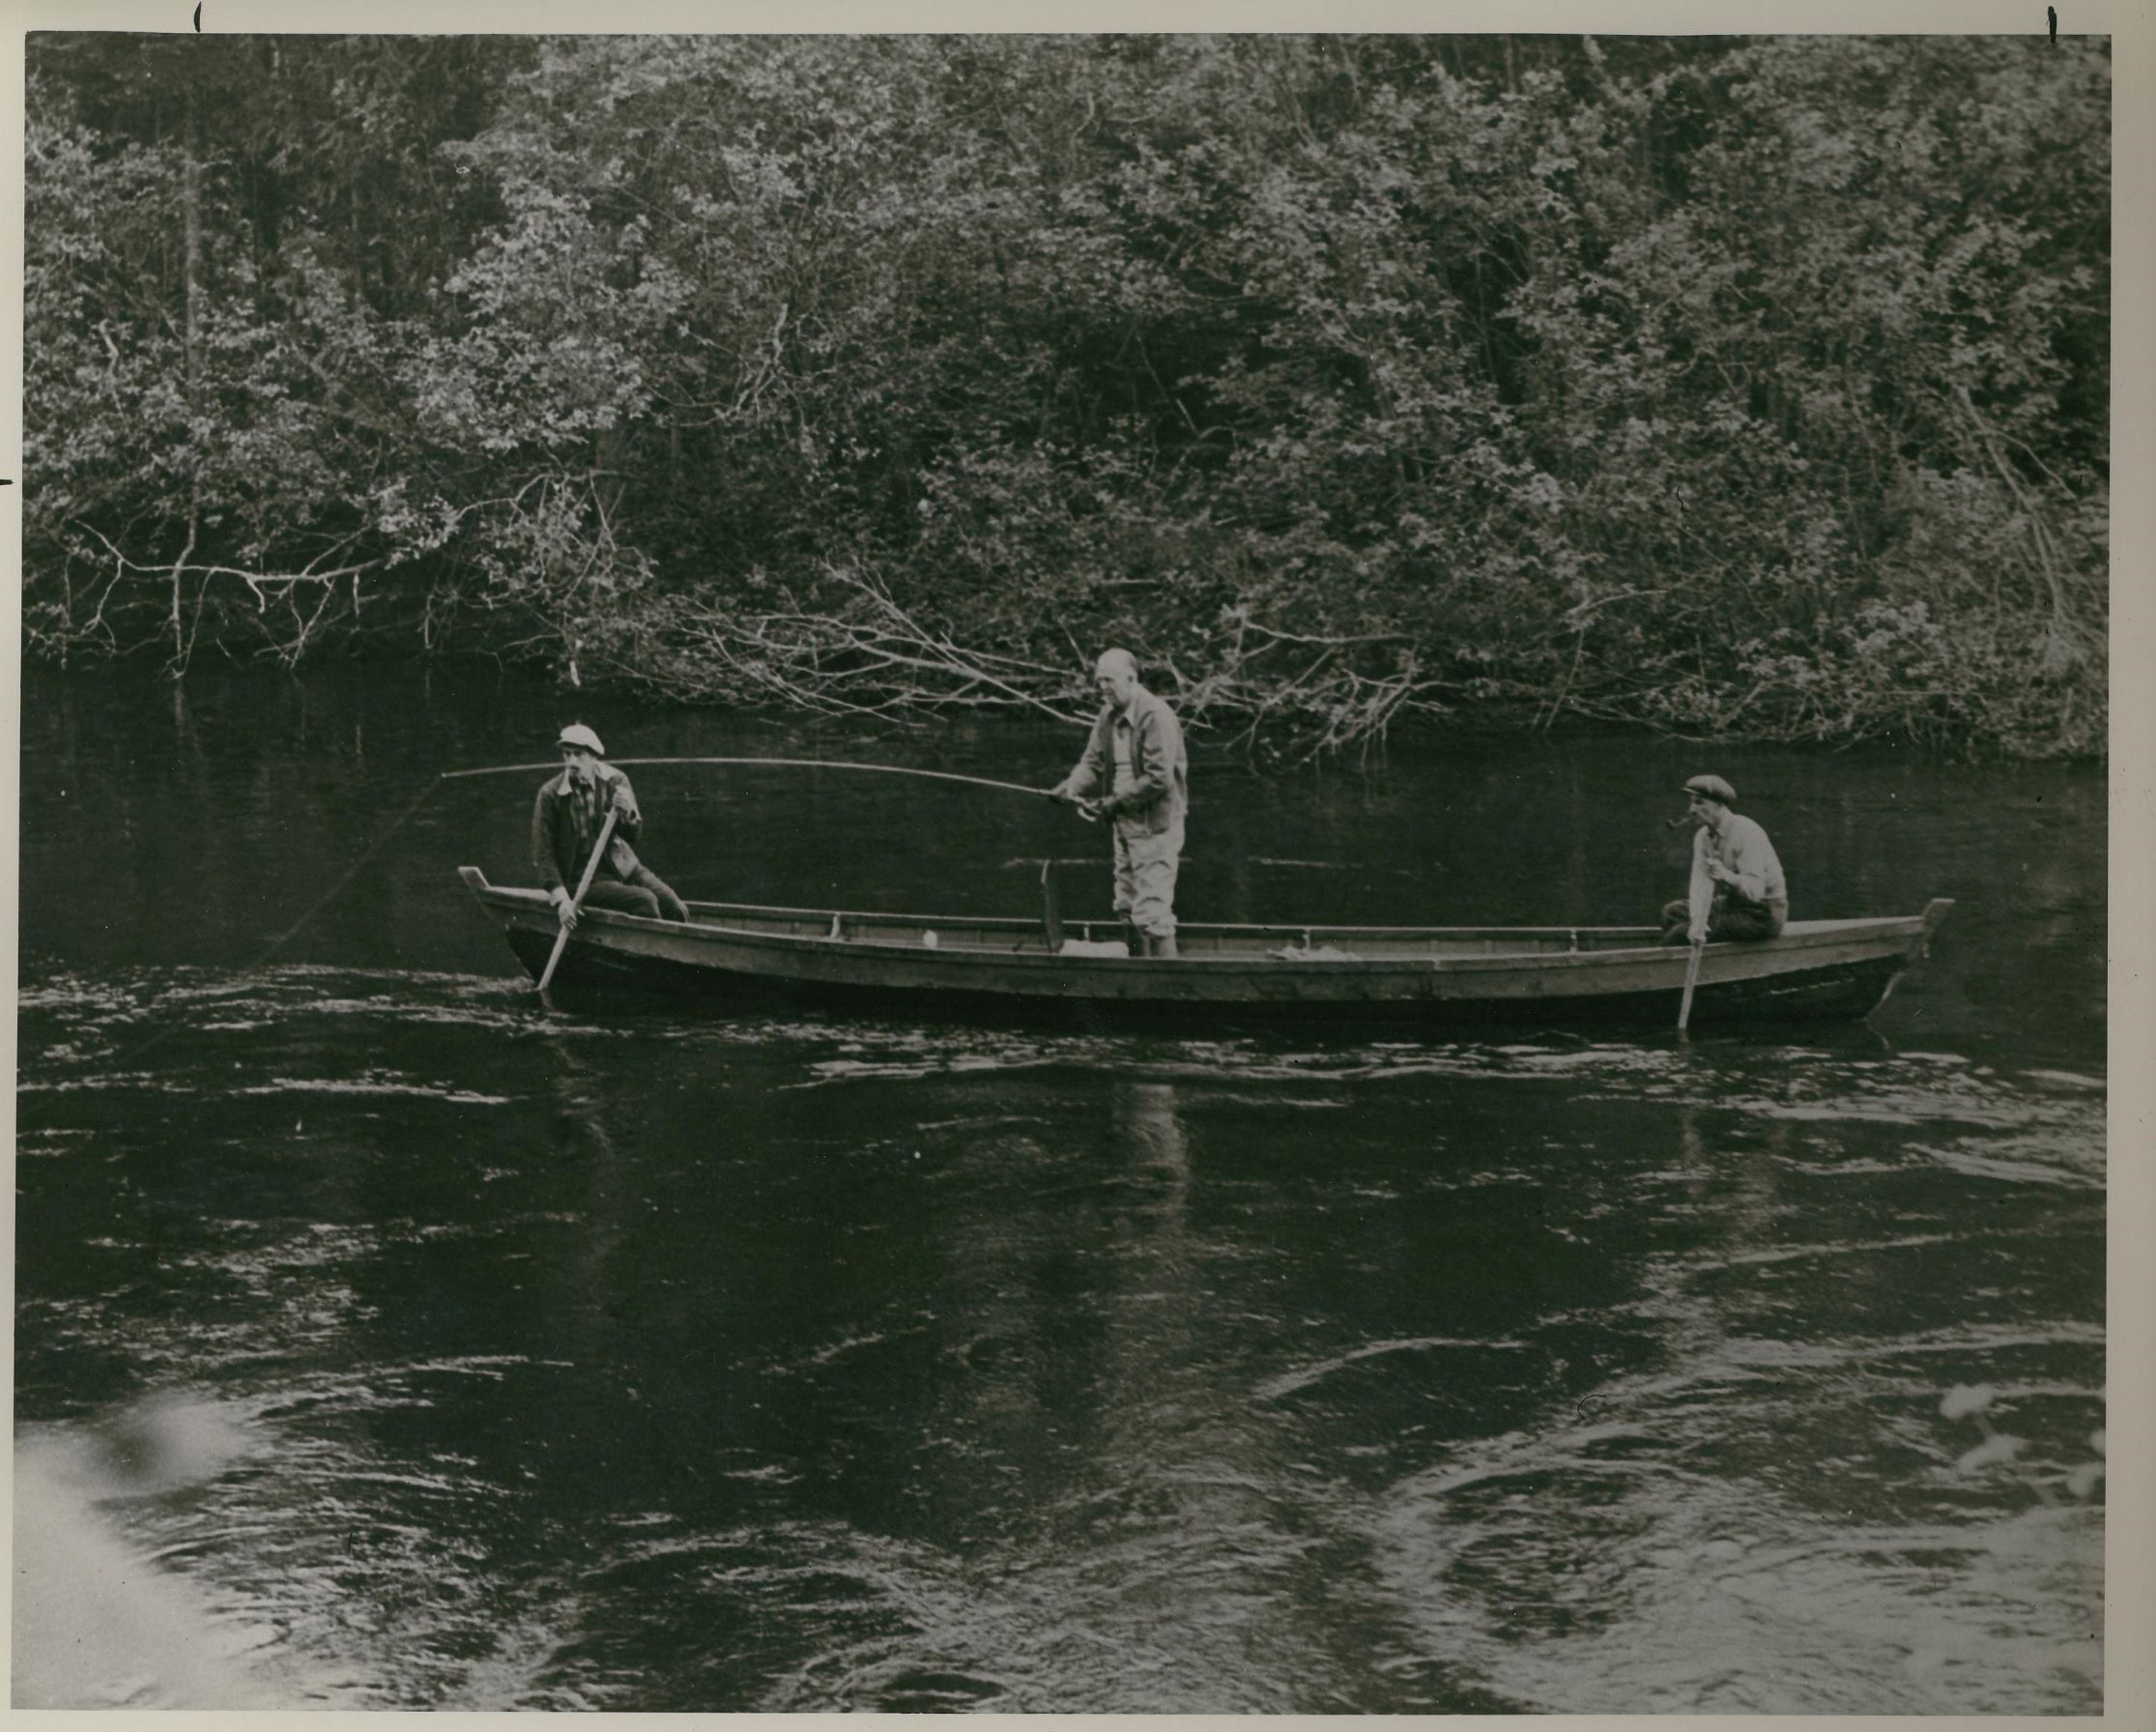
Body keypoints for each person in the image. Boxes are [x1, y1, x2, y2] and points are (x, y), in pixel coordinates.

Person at [1050, 649, 1189, 958]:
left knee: (1153, 913)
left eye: (1109, 681)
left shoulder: (1156, 715)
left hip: (1156, 826)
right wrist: (1071, 786)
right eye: (1099, 681)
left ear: (1131, 678)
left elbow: (1159, 779)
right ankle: (1136, 976)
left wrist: (1111, 803)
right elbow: (1093, 762)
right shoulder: (1107, 714)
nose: (1103, 688)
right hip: (1124, 823)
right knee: (1125, 903)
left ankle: (1168, 986)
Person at [532, 723, 690, 927]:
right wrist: (562, 900)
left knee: (673, 904)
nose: (571, 761)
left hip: (623, 867)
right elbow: (542, 852)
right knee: (644, 901)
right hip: (582, 879)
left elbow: (633, 835)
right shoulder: (550, 794)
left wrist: (628, 813)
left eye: (578, 754)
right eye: (566, 754)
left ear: (593, 755)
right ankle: (652, 953)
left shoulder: (615, 781)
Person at [1660, 773, 1788, 944]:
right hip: (1732, 905)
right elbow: (1699, 883)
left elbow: (1755, 892)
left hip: (1762, 914)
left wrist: (1724, 875)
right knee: (1671, 913)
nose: (1691, 809)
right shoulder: (1702, 836)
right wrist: (1698, 923)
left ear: (1719, 804)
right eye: (1691, 802)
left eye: (1699, 802)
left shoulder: (1746, 832)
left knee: (1677, 935)